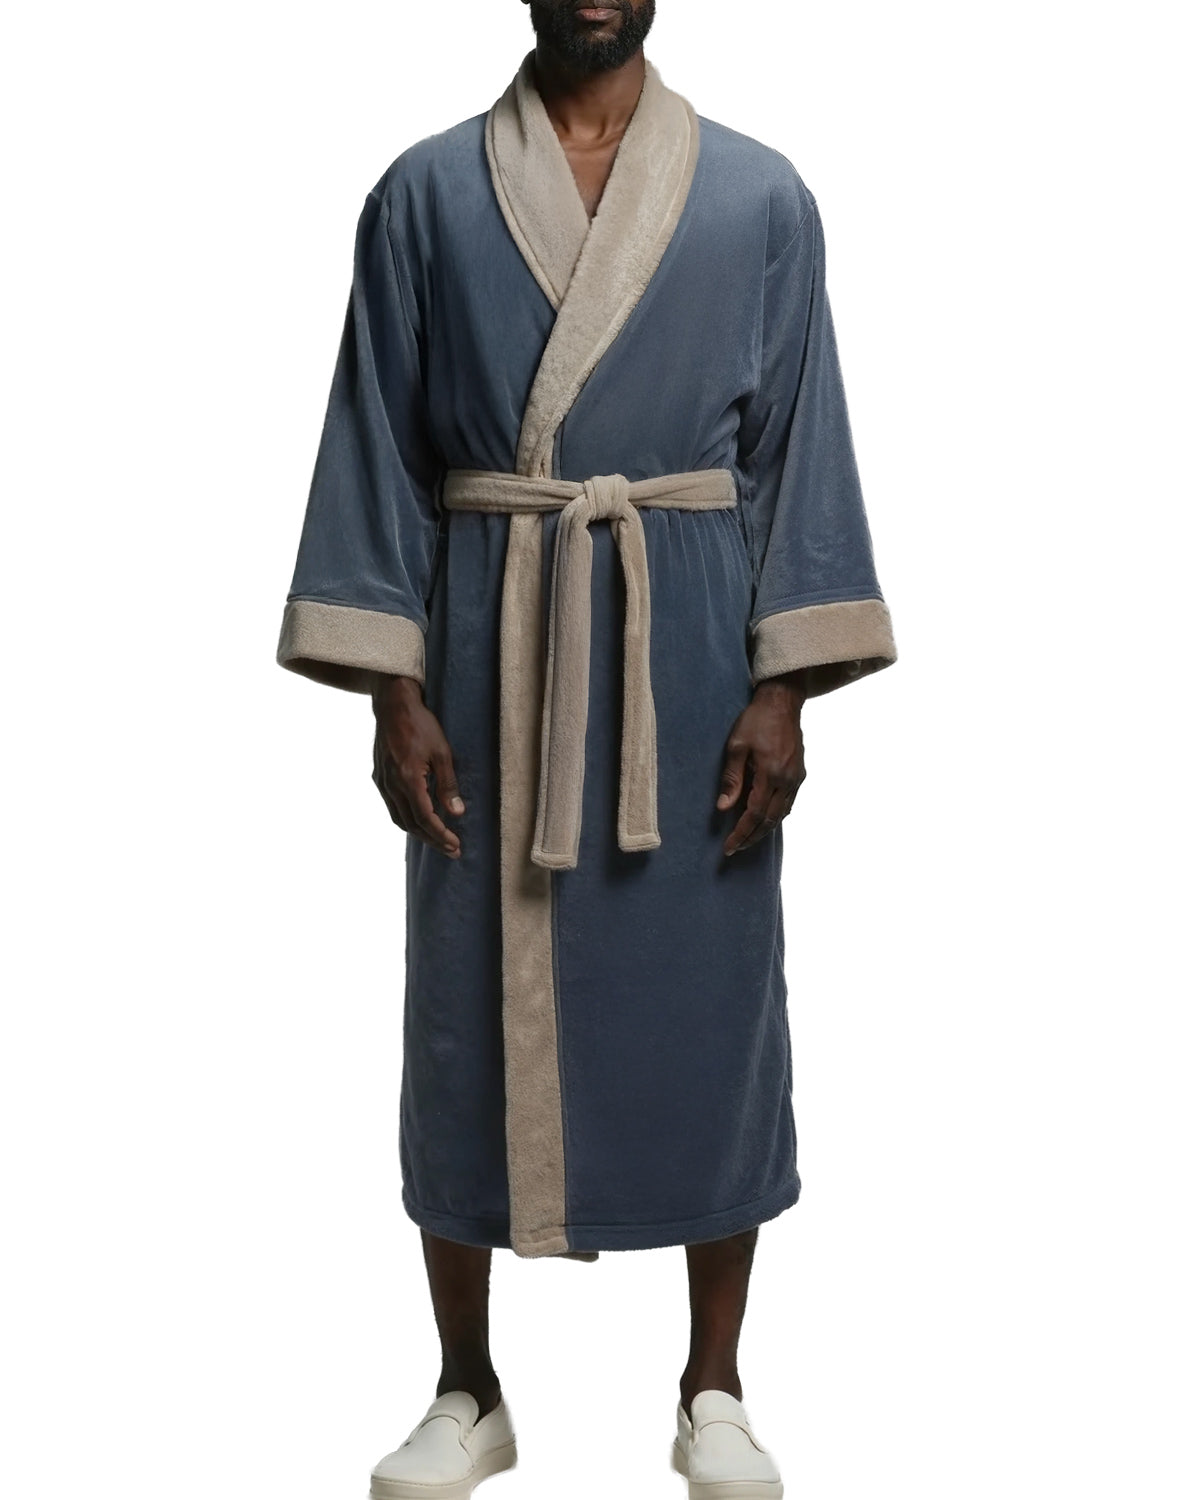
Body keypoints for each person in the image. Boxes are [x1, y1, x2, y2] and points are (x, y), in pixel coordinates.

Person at [275, 2, 897, 1495]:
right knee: (463, 1007)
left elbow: (797, 444)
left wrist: (784, 691)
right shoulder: (426, 190)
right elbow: (377, 441)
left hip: (688, 661)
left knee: (714, 998)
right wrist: (392, 690)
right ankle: (467, 1389)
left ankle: (714, 1387)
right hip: (489, 649)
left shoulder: (758, 194)